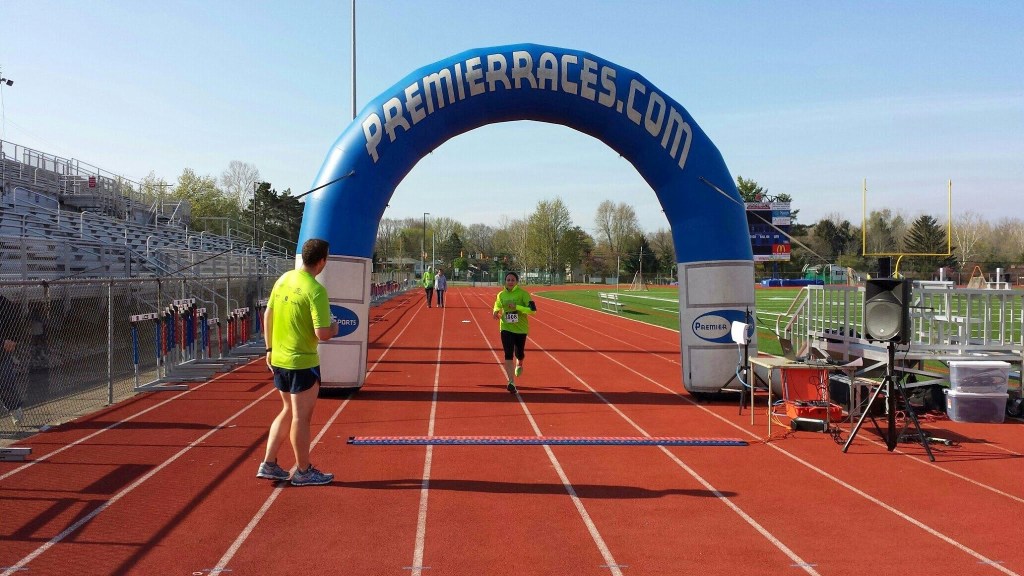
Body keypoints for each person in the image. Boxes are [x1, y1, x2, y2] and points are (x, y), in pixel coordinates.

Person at [257, 238, 339, 486]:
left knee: (287, 410)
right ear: (322, 261)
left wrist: (269, 348)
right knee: (301, 418)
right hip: (302, 362)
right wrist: (334, 327)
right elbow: (322, 333)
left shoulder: (284, 279)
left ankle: (269, 463)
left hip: (279, 358)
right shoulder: (316, 290)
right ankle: (303, 470)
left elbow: (268, 314)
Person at [491, 272, 536, 394]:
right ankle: (511, 381)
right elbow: (497, 304)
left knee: (519, 353)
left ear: (516, 281)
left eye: (512, 280)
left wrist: (517, 307)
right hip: (506, 327)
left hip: (521, 329)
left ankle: (520, 362)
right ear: (505, 281)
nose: (510, 282)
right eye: (508, 280)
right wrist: (495, 311)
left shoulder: (523, 294)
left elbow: (533, 311)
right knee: (508, 353)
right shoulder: (501, 294)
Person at [0, 295, 25, 425]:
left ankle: (14, 408)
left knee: (6, 383)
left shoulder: (5, 304)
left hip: (2, 353)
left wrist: (13, 339)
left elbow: (17, 325)